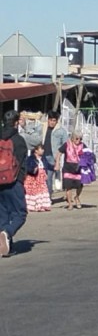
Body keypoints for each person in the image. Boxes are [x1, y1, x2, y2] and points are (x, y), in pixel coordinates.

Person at [0, 110, 29, 256]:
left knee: (3, 214)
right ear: (16, 122)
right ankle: (7, 233)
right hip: (14, 181)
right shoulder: (19, 140)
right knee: (20, 214)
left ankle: (6, 246)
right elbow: (23, 163)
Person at [41, 111, 68, 199]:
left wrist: (59, 155)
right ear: (48, 120)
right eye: (50, 120)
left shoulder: (61, 131)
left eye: (54, 120)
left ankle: (48, 197)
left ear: (57, 121)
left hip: (53, 157)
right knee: (43, 177)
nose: (52, 122)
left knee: (48, 177)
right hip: (42, 156)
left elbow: (65, 144)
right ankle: (45, 197)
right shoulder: (43, 127)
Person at [58, 131, 85, 209]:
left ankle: (77, 197)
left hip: (78, 169)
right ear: (72, 138)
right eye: (77, 139)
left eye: (80, 139)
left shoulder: (82, 145)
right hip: (68, 168)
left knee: (79, 186)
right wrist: (57, 163)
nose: (78, 140)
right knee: (68, 187)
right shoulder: (67, 144)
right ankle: (70, 203)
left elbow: (87, 153)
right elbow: (59, 152)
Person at [24, 144, 51, 212]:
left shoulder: (43, 158)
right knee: (34, 192)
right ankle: (32, 206)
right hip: (33, 178)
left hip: (41, 178)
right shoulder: (31, 158)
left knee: (42, 191)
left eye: (43, 149)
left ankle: (42, 206)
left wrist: (54, 167)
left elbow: (47, 165)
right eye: (41, 149)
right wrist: (33, 169)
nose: (43, 150)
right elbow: (27, 167)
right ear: (36, 150)